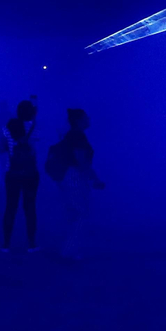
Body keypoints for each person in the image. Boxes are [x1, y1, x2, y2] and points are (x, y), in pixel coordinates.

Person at [47, 108, 104, 260]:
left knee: (75, 213)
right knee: (81, 213)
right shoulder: (77, 136)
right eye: (86, 117)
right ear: (79, 120)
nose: (89, 119)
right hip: (74, 176)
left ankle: (69, 248)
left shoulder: (72, 135)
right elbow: (81, 161)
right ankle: (69, 250)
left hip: (69, 176)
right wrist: (95, 179)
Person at [1, 99, 40, 251]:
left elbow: (1, 147)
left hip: (12, 171)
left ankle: (6, 244)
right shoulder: (35, 127)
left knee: (10, 207)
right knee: (30, 207)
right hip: (30, 172)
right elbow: (37, 146)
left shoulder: (7, 127)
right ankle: (31, 243)